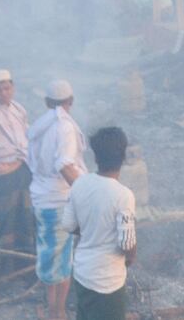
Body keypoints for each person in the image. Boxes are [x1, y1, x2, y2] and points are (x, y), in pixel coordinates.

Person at [61, 127, 137, 320]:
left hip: (82, 273)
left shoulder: (79, 184)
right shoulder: (123, 195)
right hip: (108, 280)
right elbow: (127, 243)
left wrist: (91, 230)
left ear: (95, 158)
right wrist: (130, 259)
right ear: (123, 157)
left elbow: (69, 225)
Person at [27, 79, 87, 320]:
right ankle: (56, 313)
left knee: (55, 257)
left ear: (46, 102)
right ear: (70, 101)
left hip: (42, 197)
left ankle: (56, 310)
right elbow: (64, 163)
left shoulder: (40, 124)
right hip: (58, 200)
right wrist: (87, 191)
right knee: (58, 260)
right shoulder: (63, 127)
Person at [0, 70, 35, 272]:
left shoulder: (18, 109)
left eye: (7, 88)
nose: (3, 93)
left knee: (26, 216)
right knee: (7, 220)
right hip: (5, 174)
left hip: (25, 168)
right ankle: (7, 268)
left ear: (13, 87)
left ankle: (26, 264)